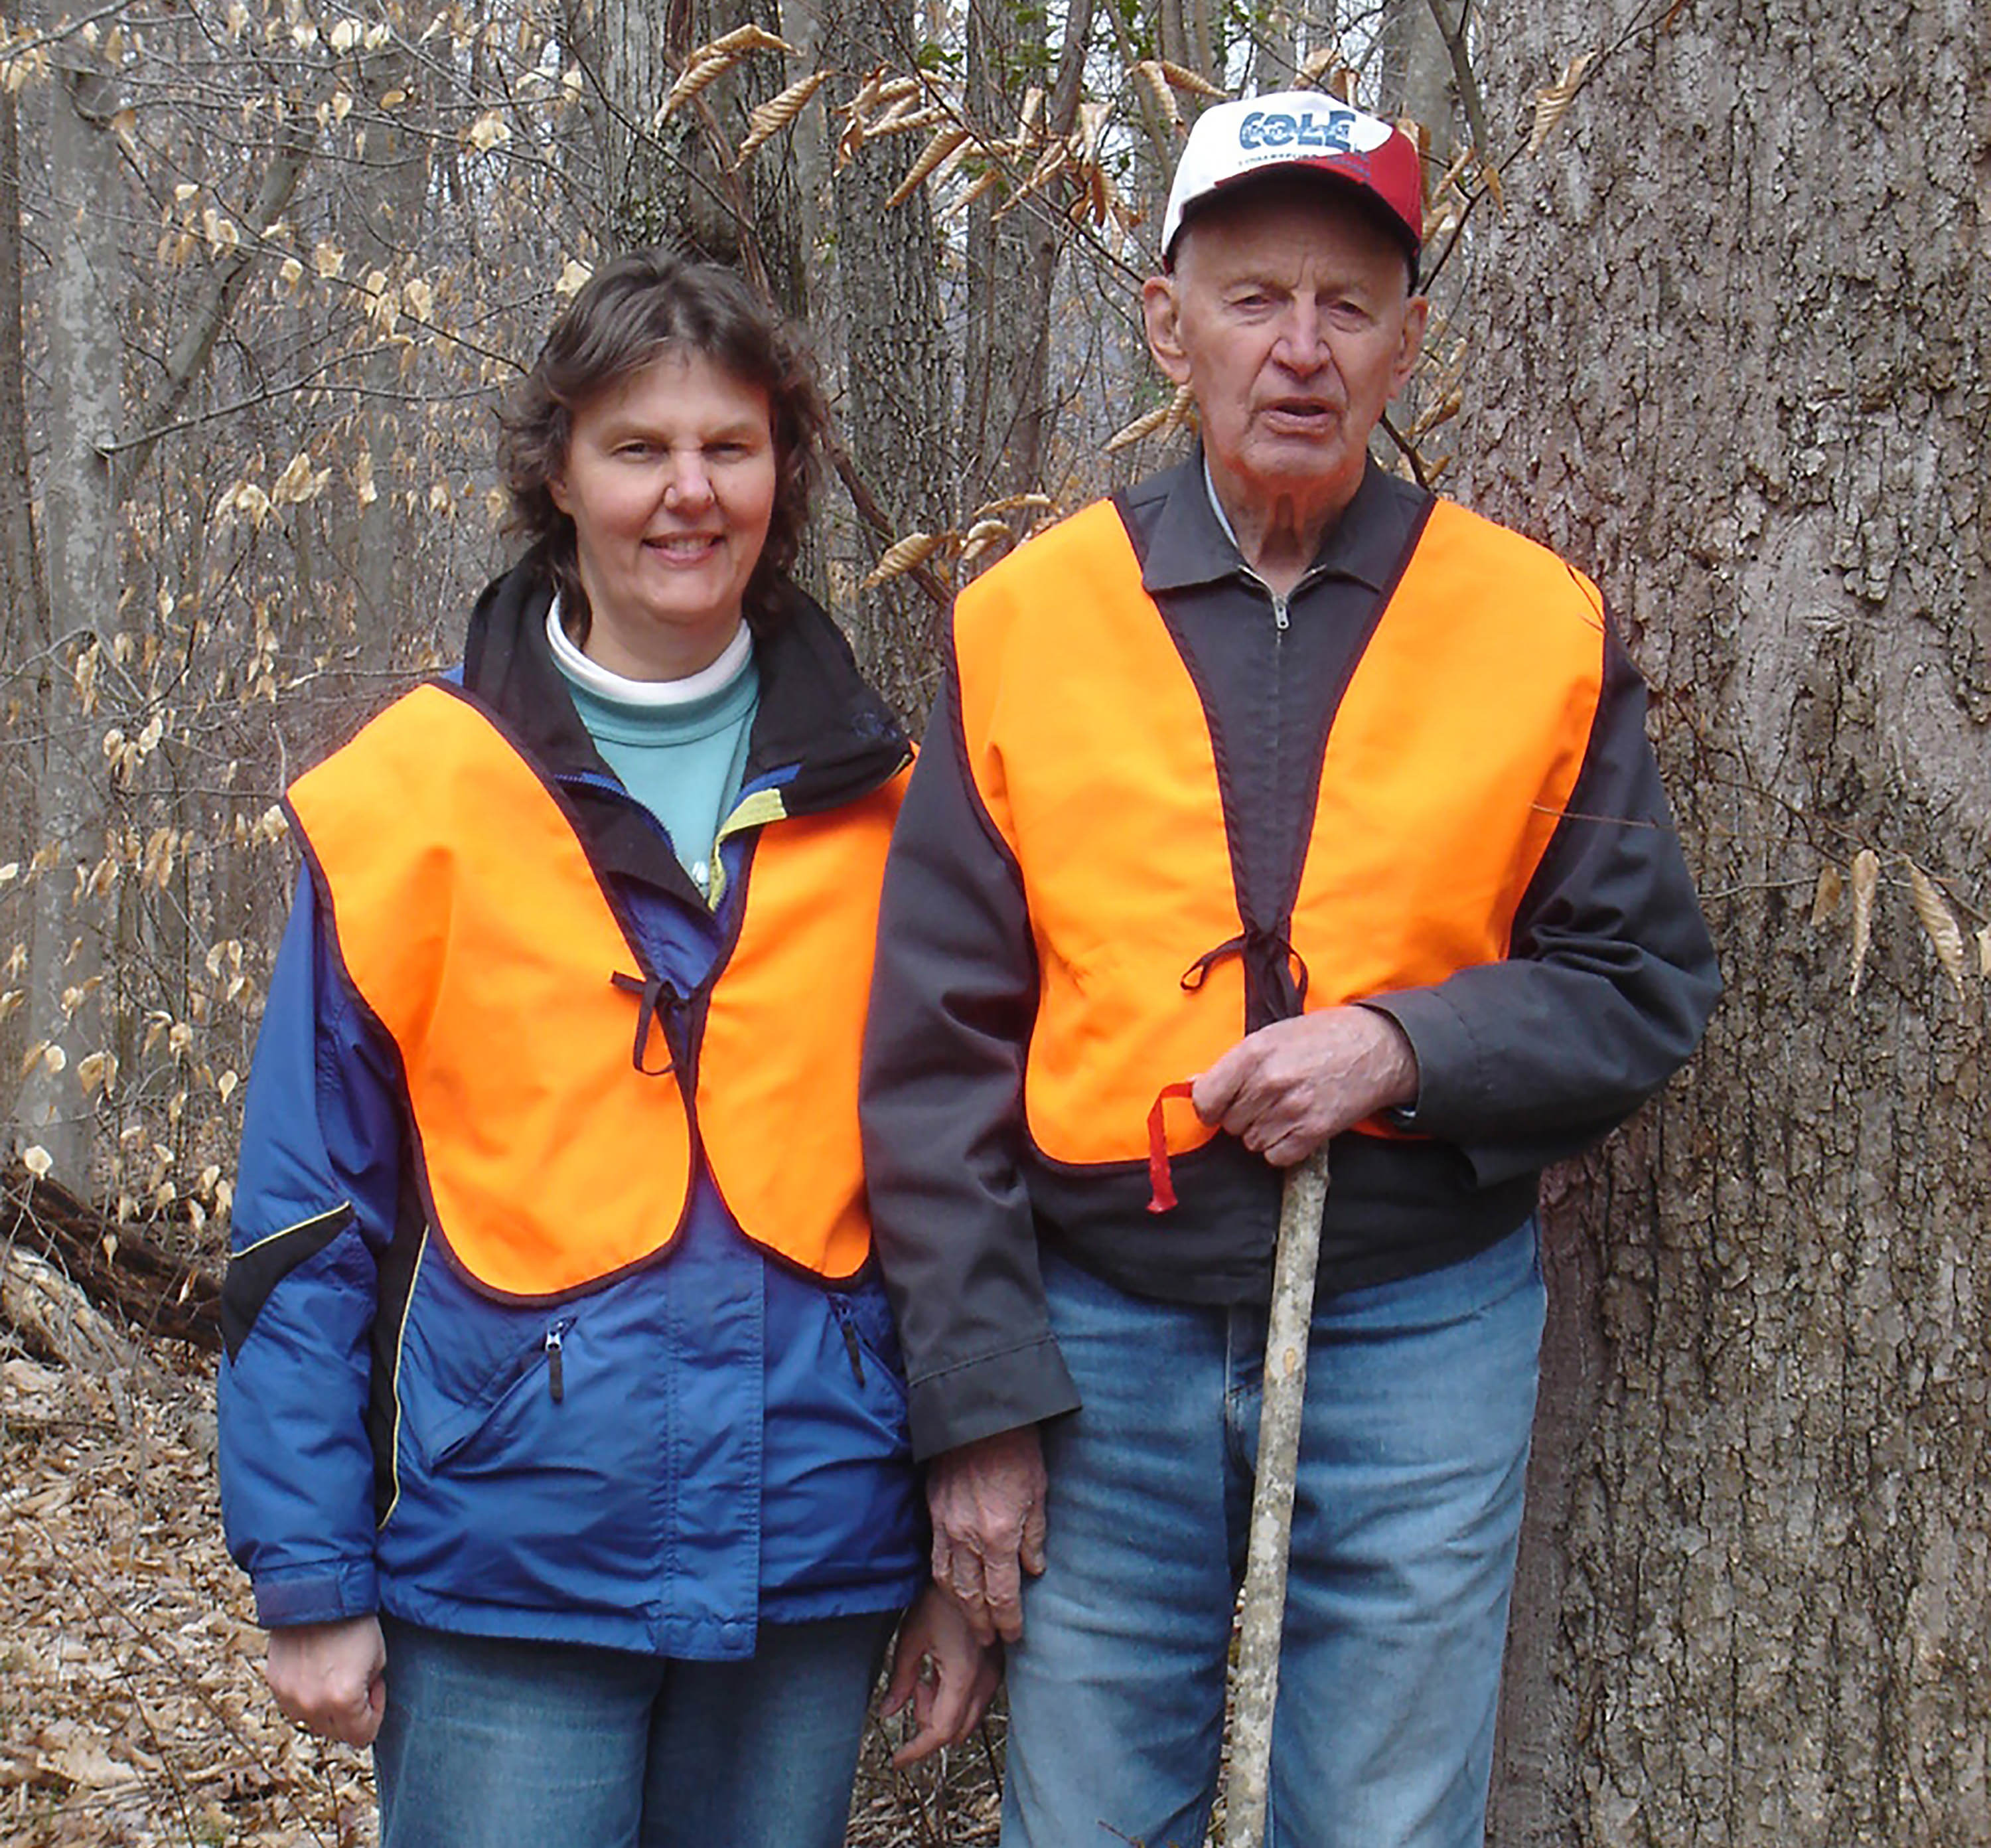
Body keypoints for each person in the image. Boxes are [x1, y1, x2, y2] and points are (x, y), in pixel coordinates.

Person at [859, 93, 1720, 1848]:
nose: (1304, 349)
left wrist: (1404, 1046)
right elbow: (933, 1057)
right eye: (1257, 297)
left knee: (1388, 1822)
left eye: (1350, 302)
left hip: (1422, 1321)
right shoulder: (1025, 625)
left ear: (1411, 339)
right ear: (1167, 324)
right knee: (1090, 1820)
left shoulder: (1534, 624)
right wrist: (978, 1411)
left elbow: (1638, 978)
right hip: (1103, 1333)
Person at [217, 249, 996, 1848]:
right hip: (508, 1559)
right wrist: (307, 1571)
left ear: (784, 468)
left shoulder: (892, 797)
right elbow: (307, 1211)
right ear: (557, 472)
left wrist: (952, 1544)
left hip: (810, 1553)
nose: (687, 492)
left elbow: (957, 1187)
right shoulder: (412, 798)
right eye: (639, 448)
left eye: (732, 444)